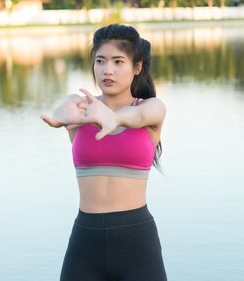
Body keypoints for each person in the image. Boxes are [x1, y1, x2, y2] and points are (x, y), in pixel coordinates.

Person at [41, 24, 167, 281]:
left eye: (118, 61)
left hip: (137, 243)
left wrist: (114, 119)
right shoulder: (80, 110)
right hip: (86, 241)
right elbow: (68, 107)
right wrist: (65, 111)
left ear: (137, 67)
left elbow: (138, 115)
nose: (107, 69)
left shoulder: (152, 108)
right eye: (101, 61)